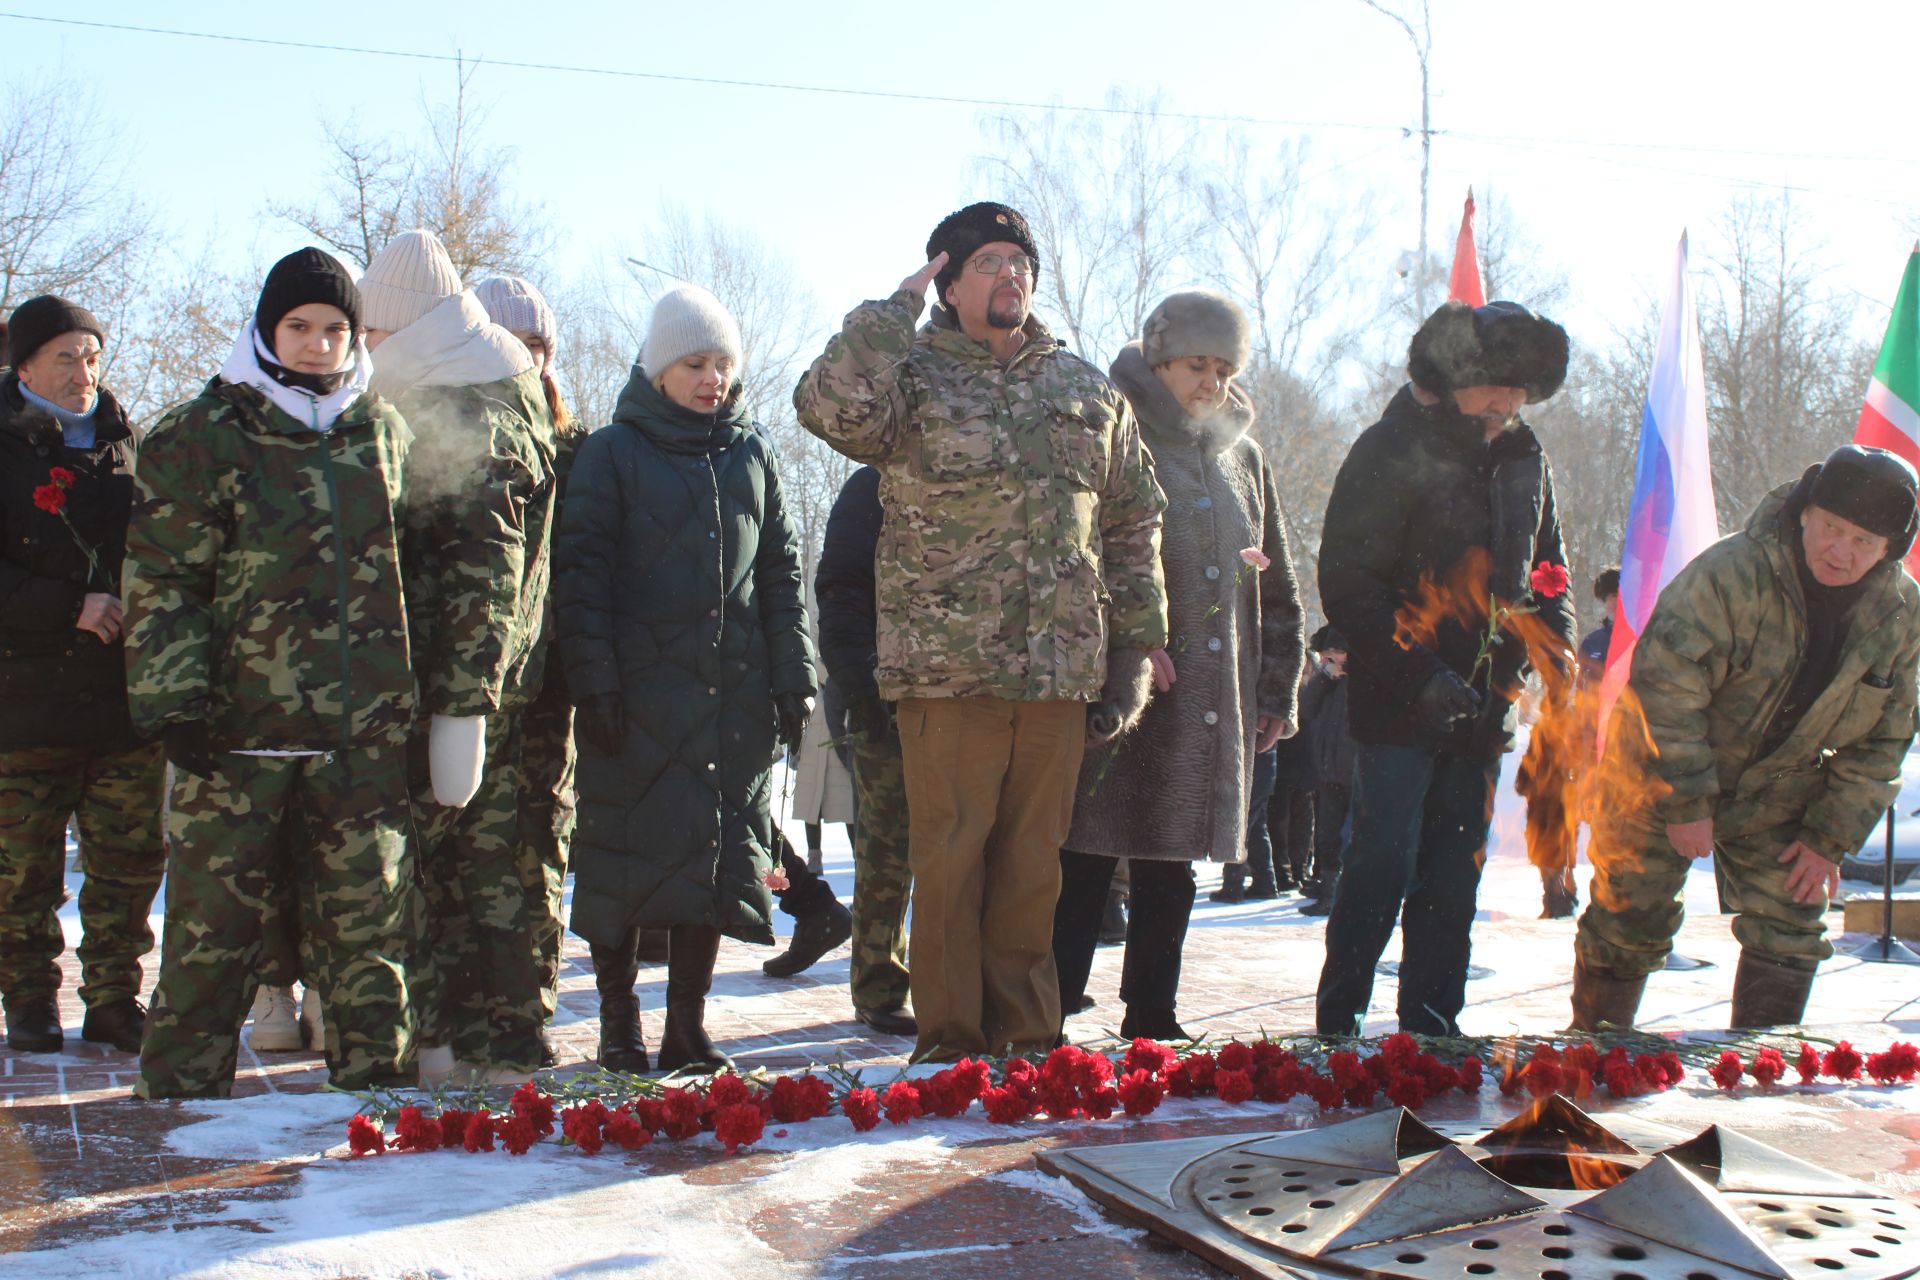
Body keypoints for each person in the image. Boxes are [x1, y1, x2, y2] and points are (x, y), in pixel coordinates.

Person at [795, 202, 1168, 1061]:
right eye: (989, 262)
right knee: (953, 864)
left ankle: (1030, 1043)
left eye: (1020, 262)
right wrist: (892, 312)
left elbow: (1132, 522)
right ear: (951, 281)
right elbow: (825, 406)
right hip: (948, 674)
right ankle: (951, 1045)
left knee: (1034, 869)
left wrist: (1134, 652)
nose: (1010, 276)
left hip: (1057, 677)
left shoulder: (1082, 388)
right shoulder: (911, 380)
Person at [126, 249, 416, 1098]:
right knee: (211, 932)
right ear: (266, 328)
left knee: (370, 926)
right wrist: (175, 700)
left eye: (334, 329)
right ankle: (179, 1094)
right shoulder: (202, 432)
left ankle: (379, 1090)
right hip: (235, 731)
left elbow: (419, 572)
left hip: (360, 734)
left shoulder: (383, 430)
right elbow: (161, 579)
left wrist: (431, 701)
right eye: (299, 327)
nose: (319, 345)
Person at [557, 284, 816, 1075]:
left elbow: (779, 572)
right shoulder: (611, 453)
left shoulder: (752, 451)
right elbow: (581, 579)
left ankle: (687, 1027)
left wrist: (794, 678)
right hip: (633, 700)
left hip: (729, 701)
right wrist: (593, 684)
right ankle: (617, 1023)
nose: (713, 379)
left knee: (715, 863)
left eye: (724, 365)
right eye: (695, 363)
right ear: (659, 367)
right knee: (623, 860)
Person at [1573, 445, 1920, 1030]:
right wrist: (1686, 801)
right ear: (1806, 512)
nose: (1841, 551)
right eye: (1832, 528)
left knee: (1792, 917)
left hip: (1781, 792)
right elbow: (1664, 691)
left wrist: (1826, 839)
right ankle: (1594, 1059)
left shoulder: (1901, 617)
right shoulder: (1731, 572)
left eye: (1863, 541)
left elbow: (1883, 742)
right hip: (1659, 773)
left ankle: (1756, 1073)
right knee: (1629, 915)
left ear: (1888, 552)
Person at [1315, 299, 1576, 1037]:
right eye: (1495, 388)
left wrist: (1555, 657)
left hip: (1486, 704)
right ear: (1453, 377)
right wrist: (1420, 676)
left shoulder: (1527, 457)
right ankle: (1338, 1027)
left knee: (1452, 878)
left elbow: (1547, 567)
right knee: (1380, 866)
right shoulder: (1390, 447)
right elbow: (1350, 584)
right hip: (1401, 700)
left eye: (1520, 393)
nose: (1508, 406)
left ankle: (1432, 1027)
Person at [1051, 289, 1302, 1042]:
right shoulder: (1108, 431)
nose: (1212, 384)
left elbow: (1279, 581)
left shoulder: (1242, 456)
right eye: (1198, 364)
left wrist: (1275, 688)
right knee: (1086, 855)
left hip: (1210, 697)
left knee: (1174, 858)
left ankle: (1152, 1014)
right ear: (1159, 358)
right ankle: (1051, 1012)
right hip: (1120, 687)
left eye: (1225, 369)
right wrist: (1113, 653)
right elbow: (1075, 560)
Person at [359, 232, 558, 1084]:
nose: (363, 354)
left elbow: (488, 573)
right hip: (451, 688)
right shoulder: (466, 389)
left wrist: (462, 705)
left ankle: (494, 1049)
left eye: (373, 338)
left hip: (469, 699)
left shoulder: (470, 411)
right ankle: (457, 1042)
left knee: (482, 876)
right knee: (460, 873)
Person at [0, 296, 165, 1055]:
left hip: (120, 704)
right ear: (23, 365)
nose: (83, 371)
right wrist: (68, 605)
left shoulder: (126, 446)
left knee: (128, 866)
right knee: (20, 872)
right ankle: (29, 1000)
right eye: (66, 356)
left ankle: (112, 999)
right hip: (23, 707)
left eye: (92, 355)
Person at [472, 273, 585, 1066]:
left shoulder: (578, 451)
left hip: (555, 692)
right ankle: (459, 1015)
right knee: (469, 853)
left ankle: (524, 1017)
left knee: (541, 846)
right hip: (474, 692)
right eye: (514, 345)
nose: (530, 362)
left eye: (540, 347)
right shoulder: (455, 436)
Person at [812, 464, 915, 1036]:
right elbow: (841, 588)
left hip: (967, 689)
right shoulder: (872, 485)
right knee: (886, 841)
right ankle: (879, 984)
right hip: (881, 688)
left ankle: (958, 980)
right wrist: (859, 680)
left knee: (963, 846)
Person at [1298, 626, 1356, 916]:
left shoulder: (1362, 680)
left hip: (1355, 771)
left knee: (1350, 837)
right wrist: (1324, 679)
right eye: (1326, 656)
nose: (1329, 660)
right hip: (1327, 771)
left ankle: (1344, 895)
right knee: (1328, 836)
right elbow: (1305, 709)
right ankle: (1329, 890)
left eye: (1334, 655)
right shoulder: (1327, 681)